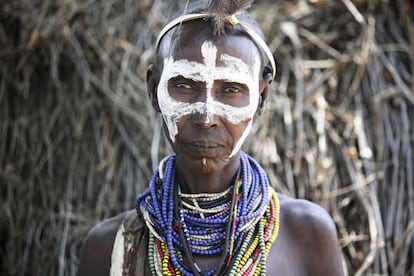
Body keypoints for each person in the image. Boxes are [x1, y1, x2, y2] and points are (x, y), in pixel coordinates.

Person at [76, 0, 344, 275]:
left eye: (230, 89)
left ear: (261, 98)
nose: (206, 117)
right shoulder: (108, 250)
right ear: (154, 89)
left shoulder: (308, 235)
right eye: (183, 85)